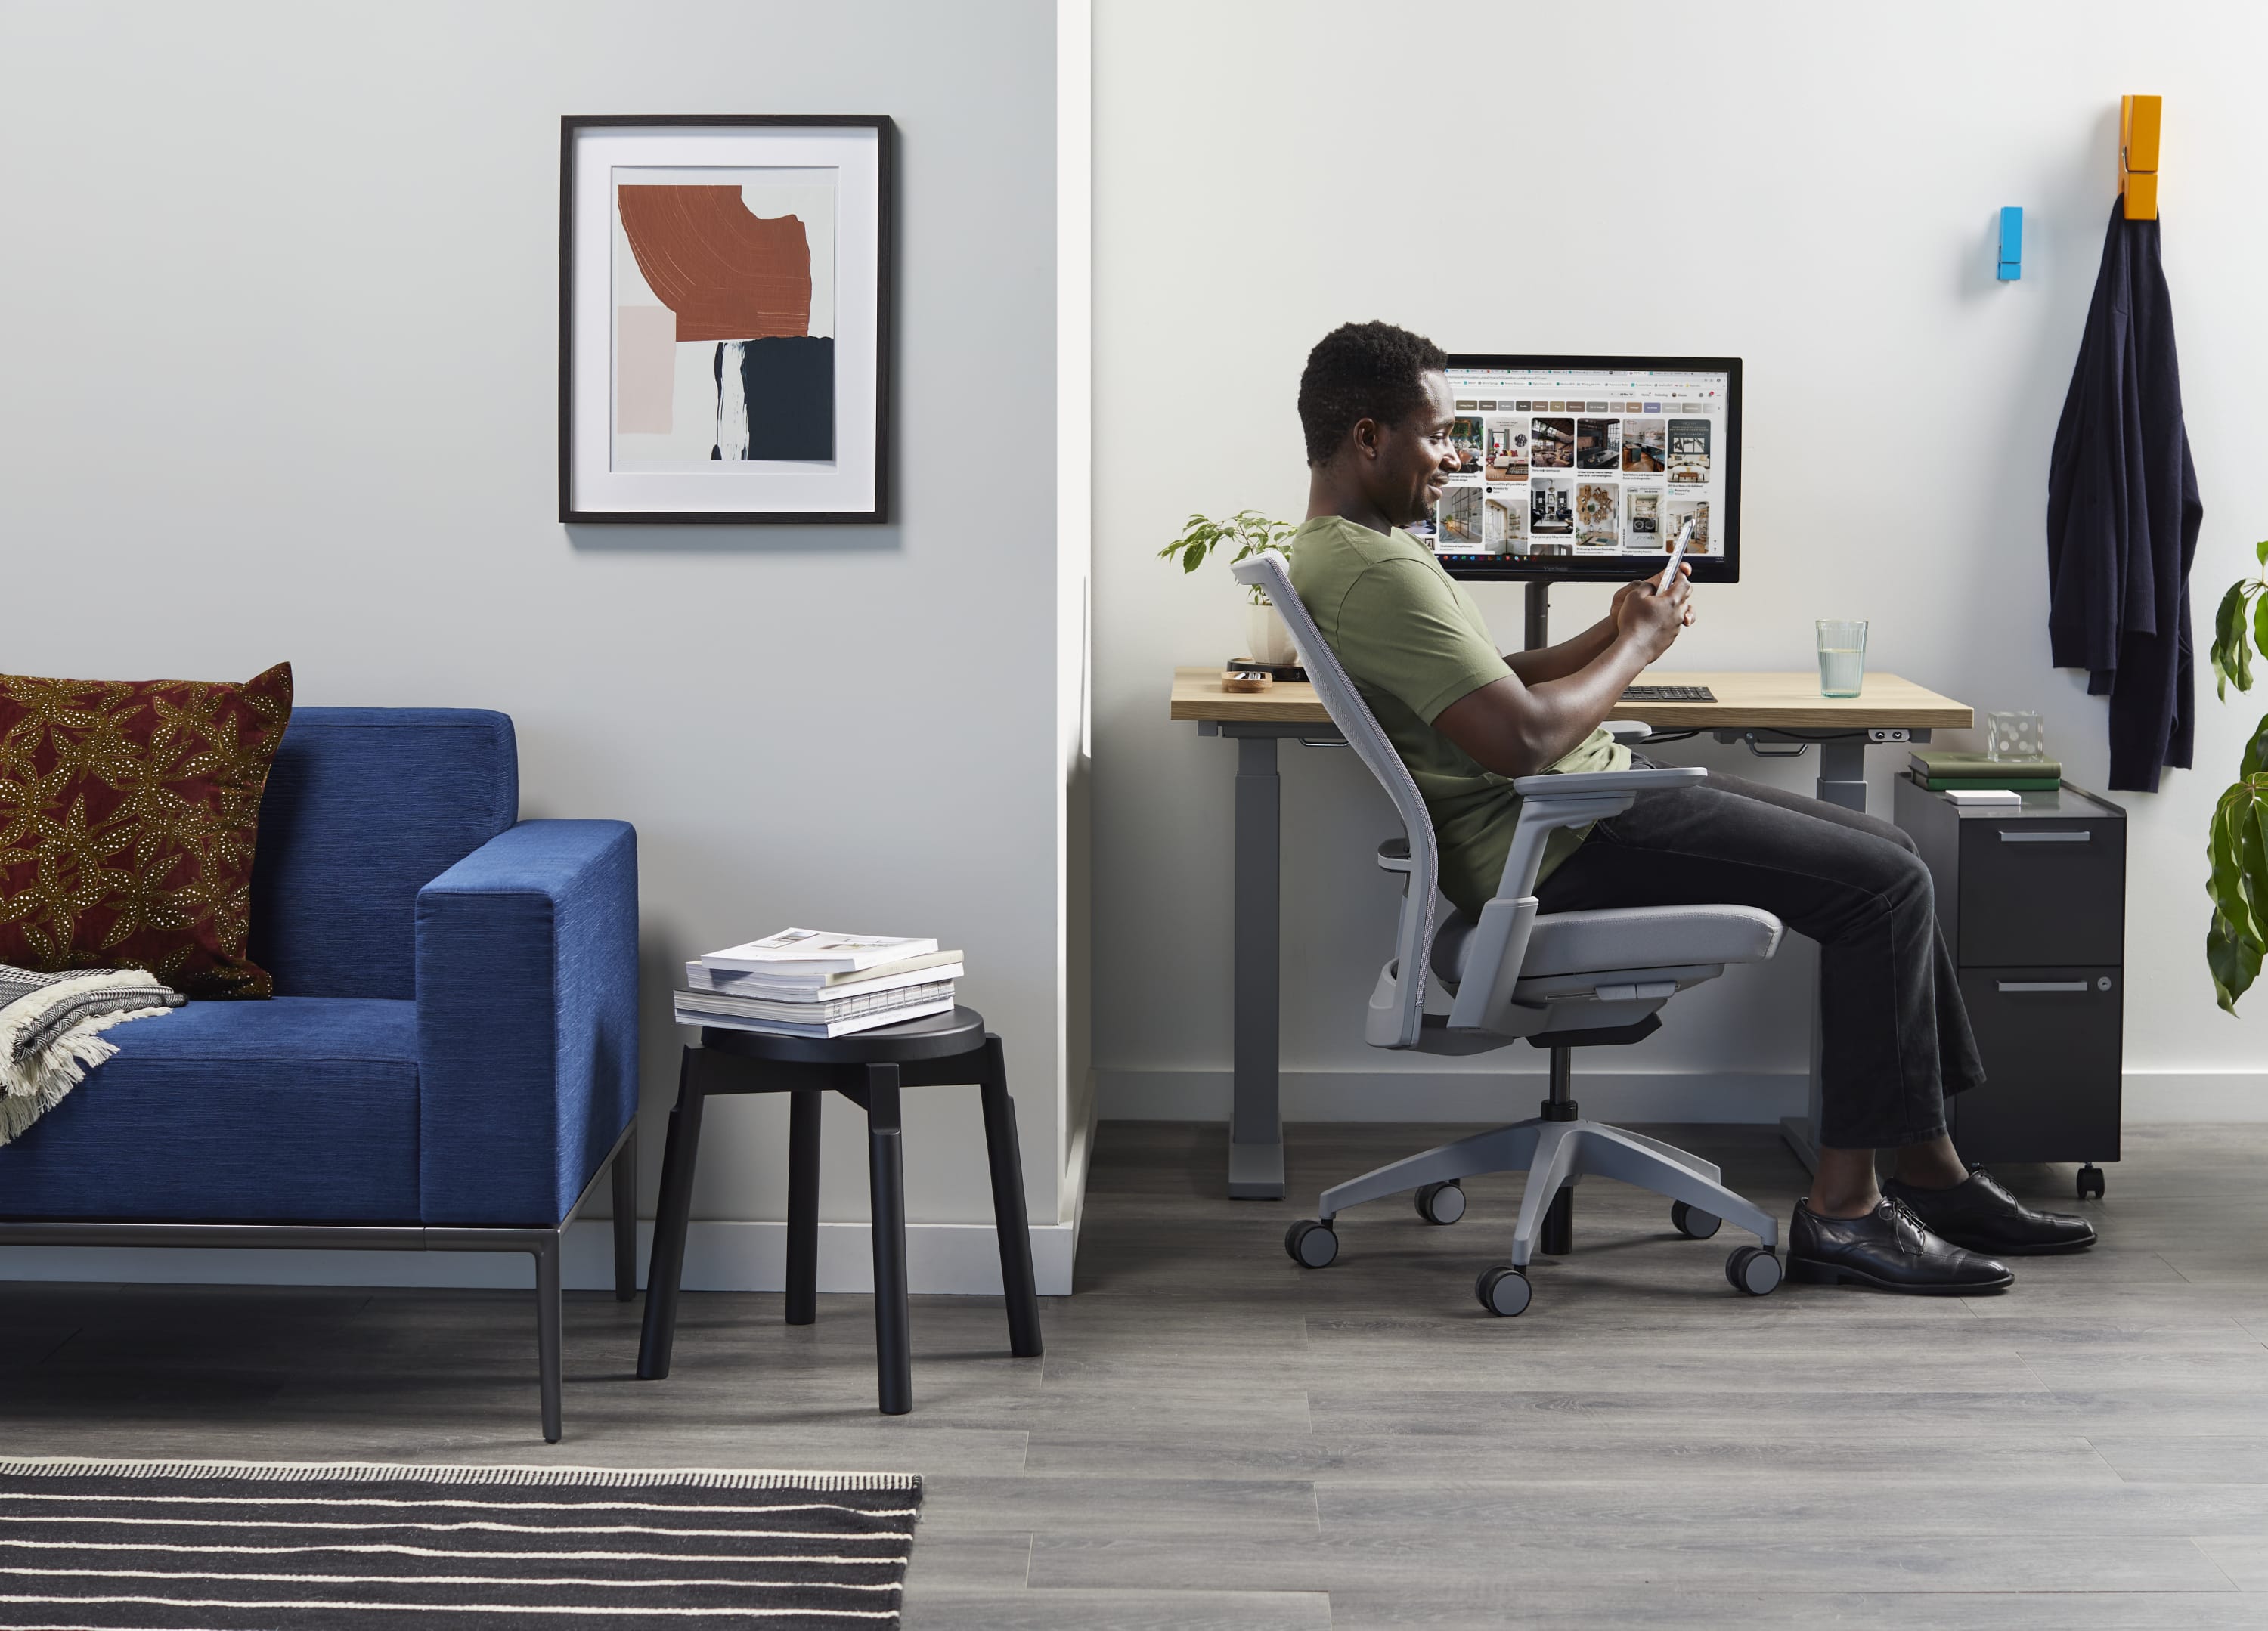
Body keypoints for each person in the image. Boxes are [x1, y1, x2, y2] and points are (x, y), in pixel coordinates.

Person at [1285, 321, 2095, 1293]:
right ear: (1369, 437)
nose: (1454, 457)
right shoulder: (1377, 567)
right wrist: (1640, 653)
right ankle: (1846, 1214)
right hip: (1569, 831)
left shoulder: (1349, 552)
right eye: (1437, 433)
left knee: (1885, 852)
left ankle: (1934, 1173)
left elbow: (1493, 684)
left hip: (1562, 817)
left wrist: (1615, 625)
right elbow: (1526, 738)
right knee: (1883, 888)